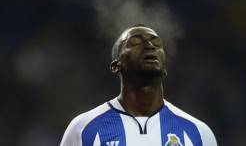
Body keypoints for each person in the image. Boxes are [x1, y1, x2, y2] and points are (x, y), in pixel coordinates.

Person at [60, 25, 217, 146]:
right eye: (135, 42)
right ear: (116, 65)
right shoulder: (84, 129)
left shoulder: (198, 133)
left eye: (156, 43)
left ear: (165, 67)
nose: (150, 45)